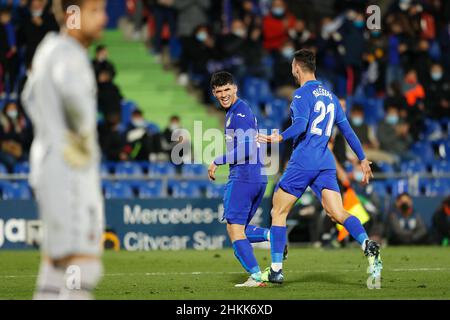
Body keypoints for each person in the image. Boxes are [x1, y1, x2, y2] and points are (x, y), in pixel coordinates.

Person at [257, 49, 382, 284]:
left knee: (278, 212)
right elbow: (347, 131)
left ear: (296, 67)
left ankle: (275, 269)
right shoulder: (332, 97)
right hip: (325, 162)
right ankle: (367, 243)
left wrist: (280, 138)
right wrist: (363, 158)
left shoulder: (301, 95)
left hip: (304, 159)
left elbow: (301, 125)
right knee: (337, 213)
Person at [21, 0, 107, 300]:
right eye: (96, 10)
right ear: (72, 15)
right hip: (69, 172)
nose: (104, 18)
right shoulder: (68, 57)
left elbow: (28, 98)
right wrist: (78, 138)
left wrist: (50, 133)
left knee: (58, 267)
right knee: (82, 267)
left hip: (51, 164)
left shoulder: (48, 50)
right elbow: (74, 103)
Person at [207, 71, 270, 287]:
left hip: (244, 175)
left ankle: (256, 276)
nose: (223, 94)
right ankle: (273, 236)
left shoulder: (240, 113)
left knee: (234, 230)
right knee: (240, 229)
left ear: (235, 88)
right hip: (257, 175)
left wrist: (219, 160)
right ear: (214, 93)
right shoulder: (236, 111)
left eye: (227, 89)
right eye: (219, 91)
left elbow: (248, 148)